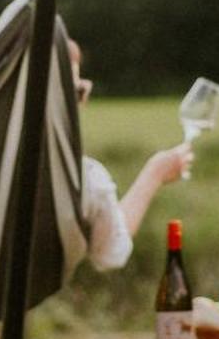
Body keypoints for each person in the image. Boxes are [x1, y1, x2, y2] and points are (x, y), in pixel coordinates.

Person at [71, 40, 193, 269]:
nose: (84, 99)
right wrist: (155, 174)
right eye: (78, 91)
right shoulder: (85, 180)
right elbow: (111, 253)